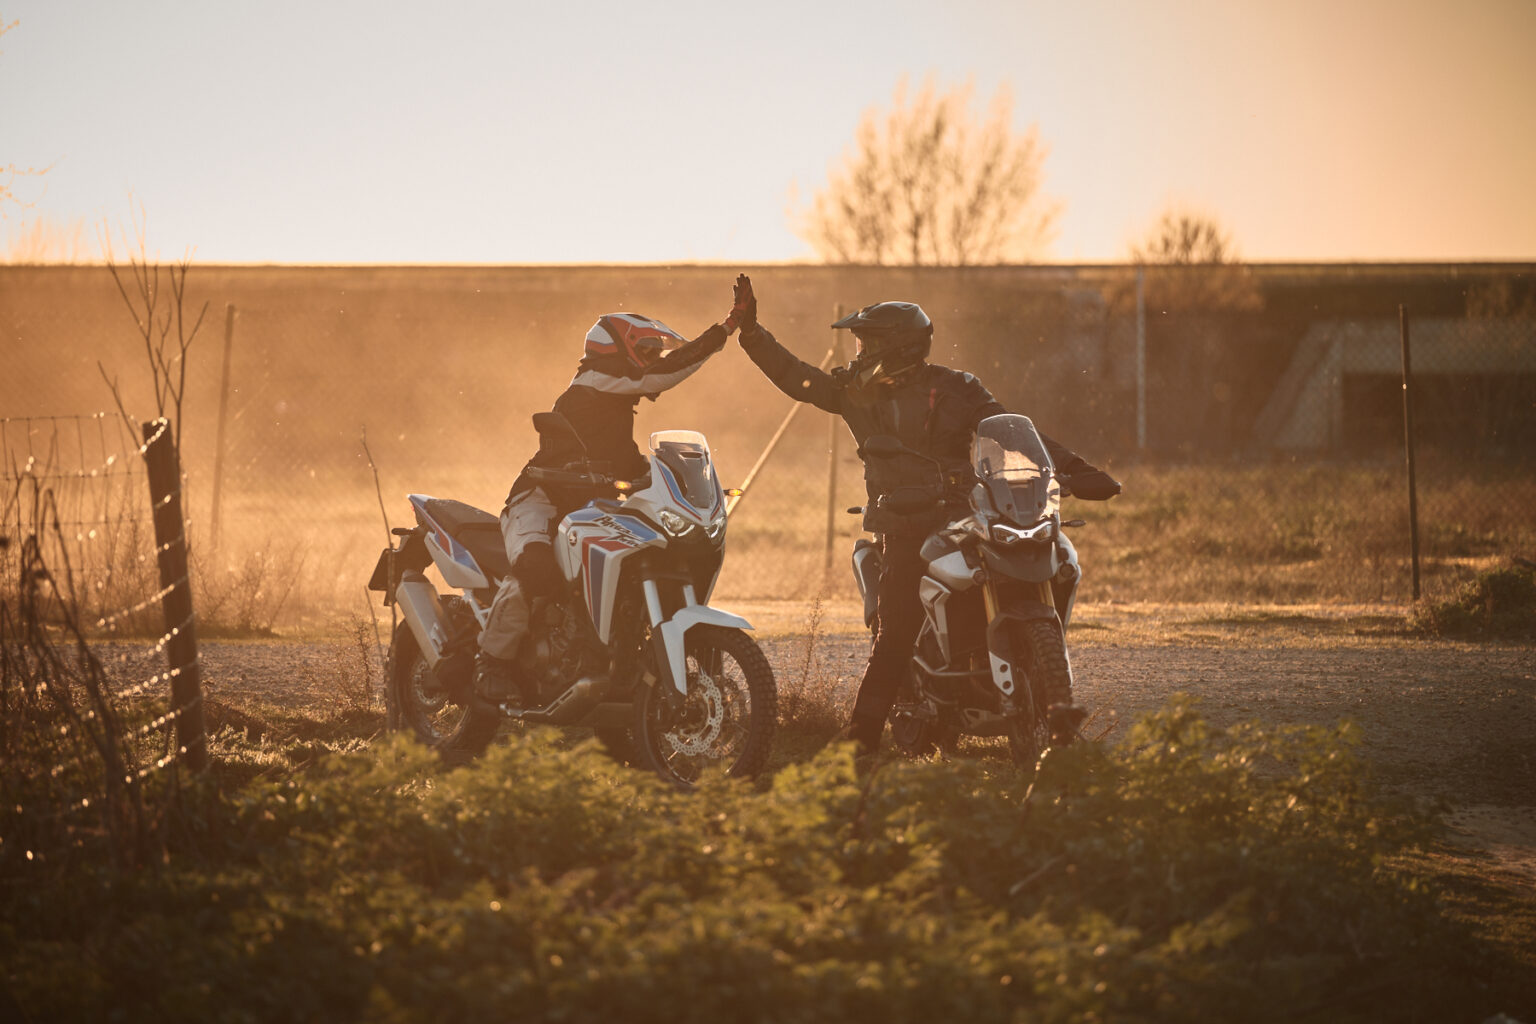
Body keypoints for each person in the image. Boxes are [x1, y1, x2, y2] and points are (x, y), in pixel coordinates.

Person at [732, 277, 1120, 755]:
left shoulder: (958, 387)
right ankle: (860, 747)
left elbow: (1012, 432)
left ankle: (1041, 703)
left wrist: (1079, 472)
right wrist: (752, 334)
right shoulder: (857, 392)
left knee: (1026, 567)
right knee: (895, 637)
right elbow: (798, 378)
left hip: (963, 514)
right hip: (902, 525)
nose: (858, 353)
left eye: (866, 343)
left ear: (895, 347)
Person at [474, 281, 755, 702]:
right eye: (647, 352)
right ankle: (491, 663)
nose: (653, 361)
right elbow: (663, 373)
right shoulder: (592, 383)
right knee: (535, 568)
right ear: (616, 351)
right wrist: (725, 329)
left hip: (587, 508)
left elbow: (632, 465)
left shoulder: (616, 408)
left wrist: (677, 484)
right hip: (539, 501)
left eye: (654, 353)